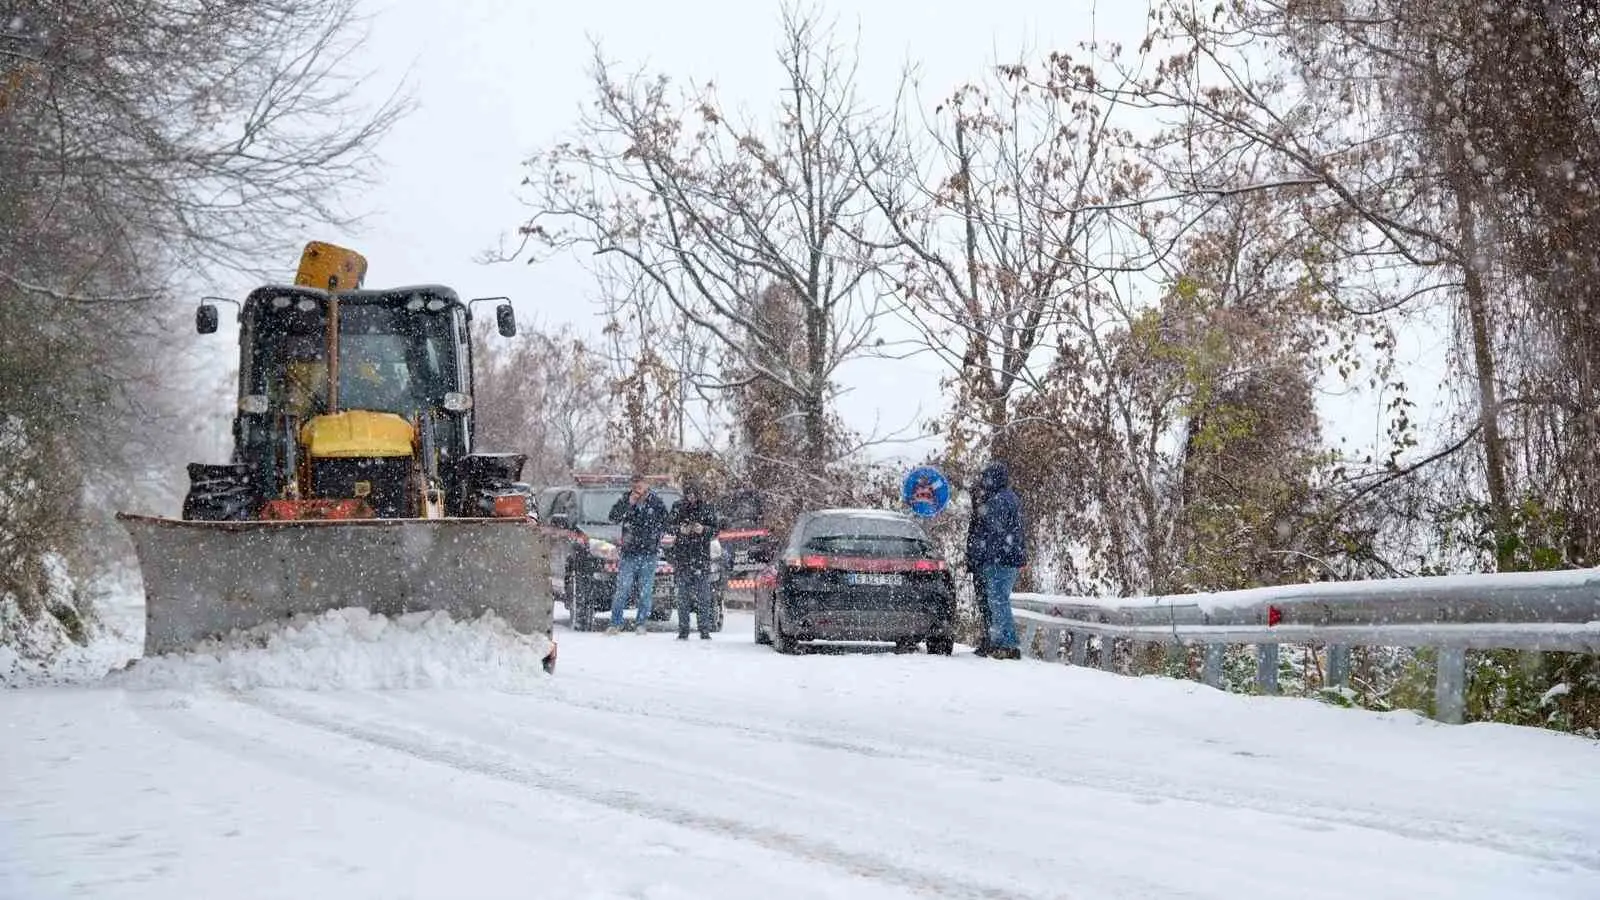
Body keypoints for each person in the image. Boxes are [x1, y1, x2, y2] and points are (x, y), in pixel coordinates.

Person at [966, 460, 1026, 660]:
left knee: (998, 600)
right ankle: (998, 641)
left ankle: (1007, 644)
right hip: (1008, 557)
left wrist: (984, 556)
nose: (983, 481)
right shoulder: (1009, 498)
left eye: (986, 478)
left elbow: (990, 531)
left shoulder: (998, 500)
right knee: (997, 600)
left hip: (1000, 559)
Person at [606, 474, 669, 634]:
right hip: (629, 553)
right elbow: (613, 517)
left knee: (645, 591)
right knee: (623, 589)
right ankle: (616, 623)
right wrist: (628, 504)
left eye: (640, 486)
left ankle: (641, 623)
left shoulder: (656, 502)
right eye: (634, 486)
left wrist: (656, 536)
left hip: (649, 553)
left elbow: (666, 522)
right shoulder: (626, 499)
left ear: (646, 485)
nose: (637, 490)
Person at [666, 480, 721, 640]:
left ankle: (704, 629)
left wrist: (703, 529)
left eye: (694, 494)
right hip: (683, 557)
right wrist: (680, 529)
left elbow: (715, 530)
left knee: (703, 596)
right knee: (683, 597)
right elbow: (668, 526)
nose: (691, 497)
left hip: (701, 557)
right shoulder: (678, 507)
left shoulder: (707, 508)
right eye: (688, 494)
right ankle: (683, 630)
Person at [964, 474, 993, 656]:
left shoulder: (985, 513)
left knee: (988, 603)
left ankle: (990, 638)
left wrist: (977, 559)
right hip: (980, 563)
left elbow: (979, 540)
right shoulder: (980, 514)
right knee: (985, 603)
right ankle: (989, 637)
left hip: (984, 563)